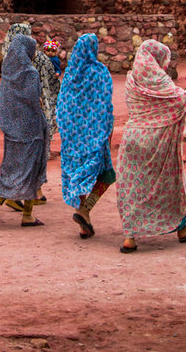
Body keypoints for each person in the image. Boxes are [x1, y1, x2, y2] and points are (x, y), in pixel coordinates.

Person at [115, 39, 186, 253]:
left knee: (132, 187)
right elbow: (180, 101)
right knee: (169, 182)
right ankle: (181, 229)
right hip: (156, 139)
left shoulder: (131, 80)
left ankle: (129, 237)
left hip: (132, 137)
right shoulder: (160, 81)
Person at [0, 33, 49, 228]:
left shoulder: (9, 75)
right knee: (32, 168)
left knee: (12, 168)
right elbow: (34, 100)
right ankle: (21, 212)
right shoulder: (30, 74)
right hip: (32, 129)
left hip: (12, 129)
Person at [56, 33, 115, 239]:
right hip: (96, 135)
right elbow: (105, 105)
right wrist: (107, 130)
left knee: (78, 173)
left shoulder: (70, 75)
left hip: (73, 138)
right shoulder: (100, 73)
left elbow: (61, 107)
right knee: (107, 175)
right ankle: (85, 210)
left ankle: (84, 222)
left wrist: (66, 133)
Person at [2, 22, 58, 204]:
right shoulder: (40, 59)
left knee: (16, 153)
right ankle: (36, 191)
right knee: (38, 151)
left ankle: (12, 191)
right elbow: (53, 82)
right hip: (39, 111)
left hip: (14, 114)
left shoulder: (9, 60)